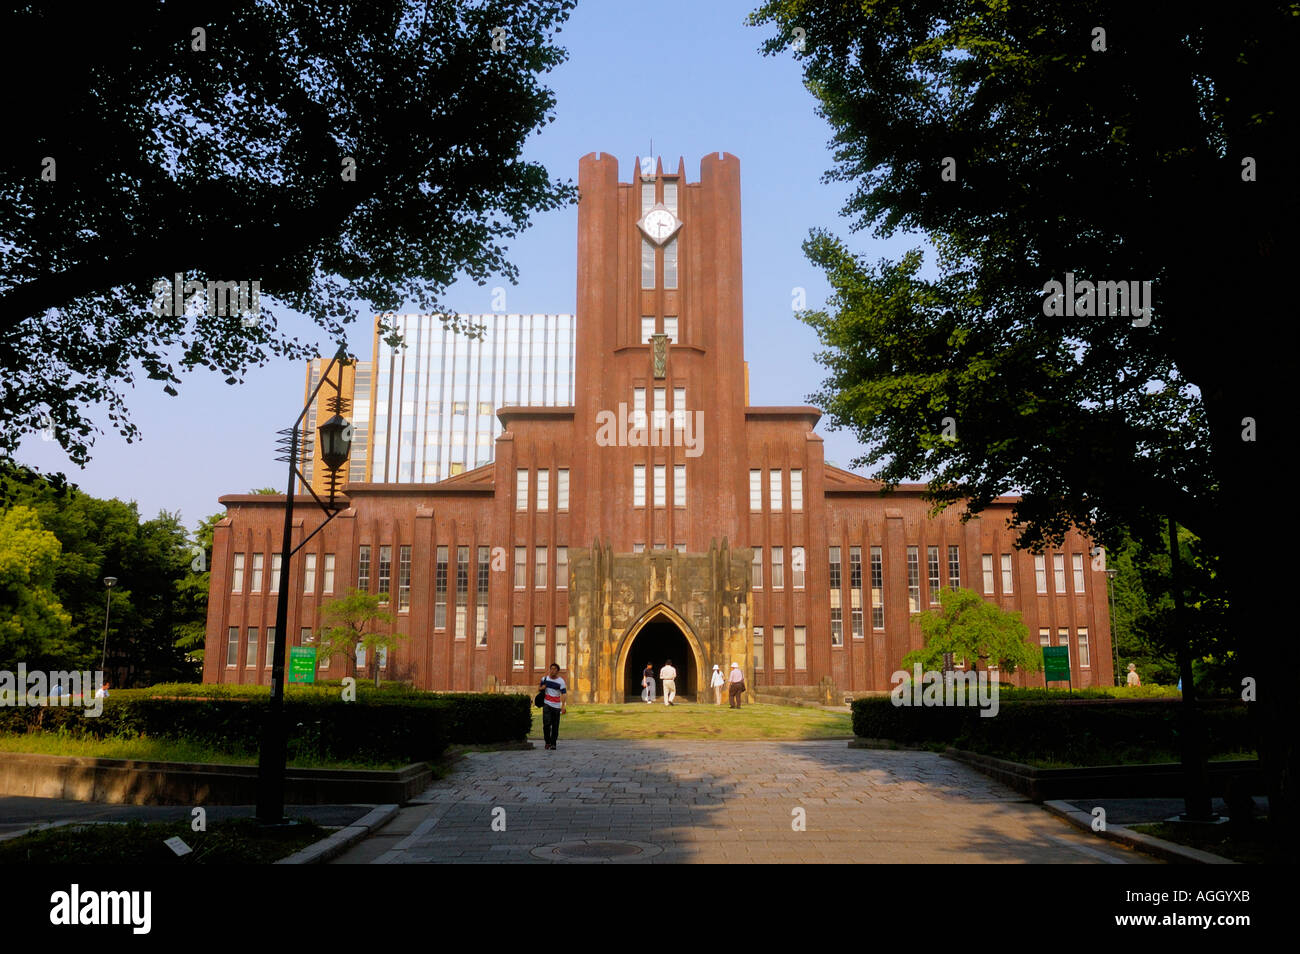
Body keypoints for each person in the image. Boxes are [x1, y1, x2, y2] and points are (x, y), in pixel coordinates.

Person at [539, 663, 567, 750]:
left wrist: (563, 706)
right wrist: (542, 688)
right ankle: (547, 742)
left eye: (555, 669)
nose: (552, 671)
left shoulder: (561, 681)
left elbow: (563, 694)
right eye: (551, 669)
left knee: (555, 726)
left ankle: (553, 743)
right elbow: (539, 689)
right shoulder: (544, 679)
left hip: (556, 706)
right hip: (546, 704)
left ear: (558, 671)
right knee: (546, 724)